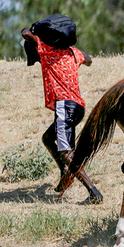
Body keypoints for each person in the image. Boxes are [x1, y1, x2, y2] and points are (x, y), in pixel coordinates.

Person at [21, 27, 103, 204]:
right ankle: (66, 172)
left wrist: (33, 29)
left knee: (65, 152)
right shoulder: (73, 52)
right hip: (78, 107)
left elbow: (26, 34)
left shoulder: (48, 50)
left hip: (64, 106)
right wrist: (73, 49)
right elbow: (88, 60)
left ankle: (94, 192)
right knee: (48, 138)